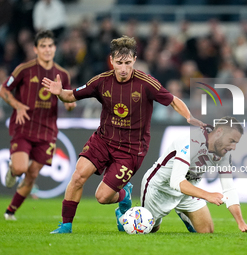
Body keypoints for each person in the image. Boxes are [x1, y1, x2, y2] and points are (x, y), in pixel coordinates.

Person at [42, 35, 204, 234]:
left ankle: (124, 195)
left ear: (135, 60)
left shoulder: (146, 83)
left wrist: (189, 118)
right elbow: (71, 95)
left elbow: (172, 100)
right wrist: (59, 92)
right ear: (112, 61)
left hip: (130, 149)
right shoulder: (100, 82)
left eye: (128, 63)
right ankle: (66, 225)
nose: (124, 68)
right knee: (77, 176)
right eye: (119, 63)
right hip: (102, 140)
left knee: (102, 197)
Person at [117, 117, 247, 234]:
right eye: (232, 141)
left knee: (207, 232)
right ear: (219, 132)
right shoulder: (193, 141)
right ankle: (124, 208)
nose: (233, 147)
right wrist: (207, 195)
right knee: (148, 228)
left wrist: (241, 222)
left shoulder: (223, 153)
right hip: (161, 186)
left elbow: (229, 189)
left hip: (188, 190)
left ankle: (184, 213)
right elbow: (176, 181)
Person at [0, 30, 76, 221]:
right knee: (20, 169)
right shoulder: (24, 70)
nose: (47, 49)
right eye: (43, 46)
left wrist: (69, 104)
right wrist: (17, 105)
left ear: (55, 48)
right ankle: (12, 170)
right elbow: (4, 89)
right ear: (35, 49)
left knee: (32, 174)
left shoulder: (62, 75)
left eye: (50, 45)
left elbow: (67, 101)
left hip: (47, 132)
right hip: (24, 127)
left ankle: (10, 212)